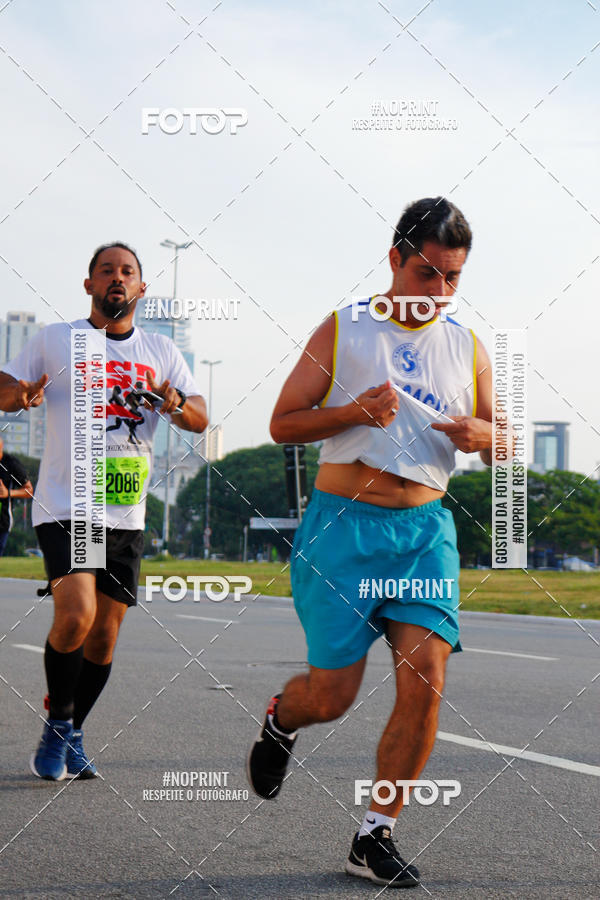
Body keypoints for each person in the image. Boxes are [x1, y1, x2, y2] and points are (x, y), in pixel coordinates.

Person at [247, 198, 493, 887]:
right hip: (343, 529)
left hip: (424, 535)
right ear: (395, 259)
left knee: (427, 681)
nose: (438, 293)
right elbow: (282, 424)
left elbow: (502, 438)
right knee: (332, 697)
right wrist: (355, 412)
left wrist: (487, 438)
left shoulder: (467, 345)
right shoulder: (343, 329)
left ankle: (375, 833)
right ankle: (281, 718)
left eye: (452, 279)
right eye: (427, 274)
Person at [0, 242, 207, 780]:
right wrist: (19, 394)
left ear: (142, 288)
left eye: (128, 272)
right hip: (70, 504)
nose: (118, 278)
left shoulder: (161, 352)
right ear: (89, 284)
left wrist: (176, 404)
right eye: (107, 271)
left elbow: (200, 415)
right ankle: (57, 727)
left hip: (127, 513)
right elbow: (3, 385)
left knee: (105, 635)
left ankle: (72, 729)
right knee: (76, 615)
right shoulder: (56, 339)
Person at [0, 436, 33, 556]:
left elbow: (29, 491)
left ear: (1, 446)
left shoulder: (11, 464)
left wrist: (8, 493)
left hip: (2, 521)